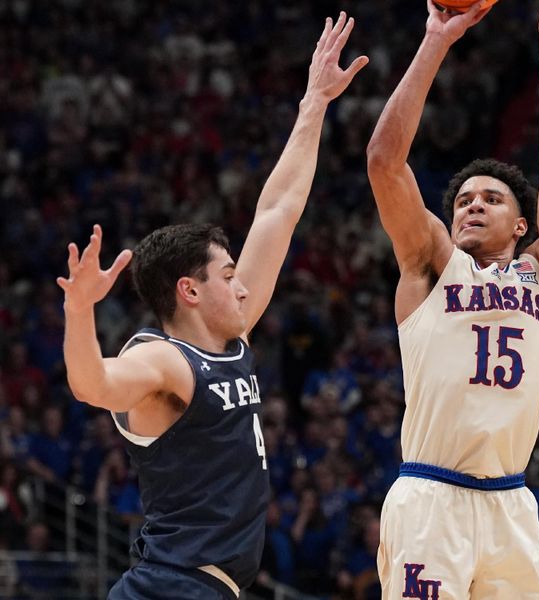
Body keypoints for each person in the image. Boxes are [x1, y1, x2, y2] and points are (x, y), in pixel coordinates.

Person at [56, 13, 368, 600]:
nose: (244, 285)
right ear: (190, 291)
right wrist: (80, 312)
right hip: (170, 587)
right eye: (229, 275)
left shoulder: (232, 334)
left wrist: (315, 102)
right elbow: (93, 385)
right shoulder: (164, 361)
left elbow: (278, 209)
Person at [366, 0, 539, 596]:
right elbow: (385, 162)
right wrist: (436, 39)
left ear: (521, 226)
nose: (472, 205)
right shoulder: (432, 264)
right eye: (463, 199)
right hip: (430, 498)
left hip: (510, 503)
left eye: (491, 199)